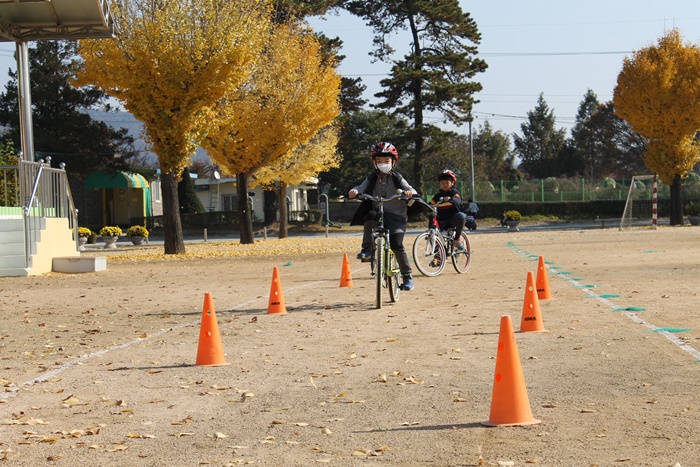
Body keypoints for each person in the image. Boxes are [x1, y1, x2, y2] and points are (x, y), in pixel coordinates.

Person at [348, 142, 417, 291]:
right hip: (379, 213)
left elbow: (410, 189)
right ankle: (367, 249)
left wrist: (410, 193)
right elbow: (361, 187)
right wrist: (354, 191)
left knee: (397, 244)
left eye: (386, 161)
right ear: (374, 162)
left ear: (393, 162)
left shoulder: (397, 177)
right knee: (370, 215)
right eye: (379, 161)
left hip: (397, 216)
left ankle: (407, 276)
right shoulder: (372, 177)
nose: (383, 164)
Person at [429, 170, 467, 249]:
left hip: (452, 220)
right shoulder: (438, 196)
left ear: (452, 183)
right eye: (442, 183)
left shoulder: (454, 193)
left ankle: (457, 238)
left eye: (447, 183)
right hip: (441, 220)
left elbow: (457, 200)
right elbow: (430, 204)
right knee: (432, 232)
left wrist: (451, 199)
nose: (444, 185)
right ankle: (438, 257)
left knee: (461, 215)